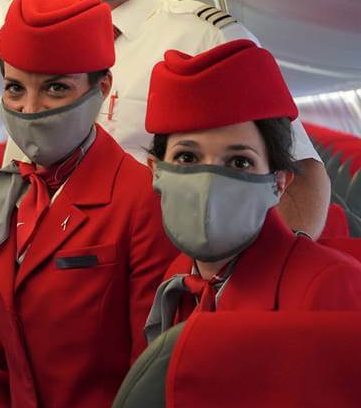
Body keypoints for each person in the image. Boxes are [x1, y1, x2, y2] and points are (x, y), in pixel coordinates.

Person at [3, 0, 330, 238]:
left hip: (160, 272)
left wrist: (272, 279)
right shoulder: (42, 44)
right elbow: (18, 170)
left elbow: (301, 172)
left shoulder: (210, 40)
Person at [0, 0, 176, 408]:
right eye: (15, 88)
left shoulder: (143, 201)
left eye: (56, 88)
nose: (30, 109)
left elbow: (146, 381)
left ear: (102, 88)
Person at [144, 39, 361, 341]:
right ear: (155, 170)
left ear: (279, 182)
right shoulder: (178, 276)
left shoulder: (328, 288)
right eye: (187, 157)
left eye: (239, 162)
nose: (208, 182)